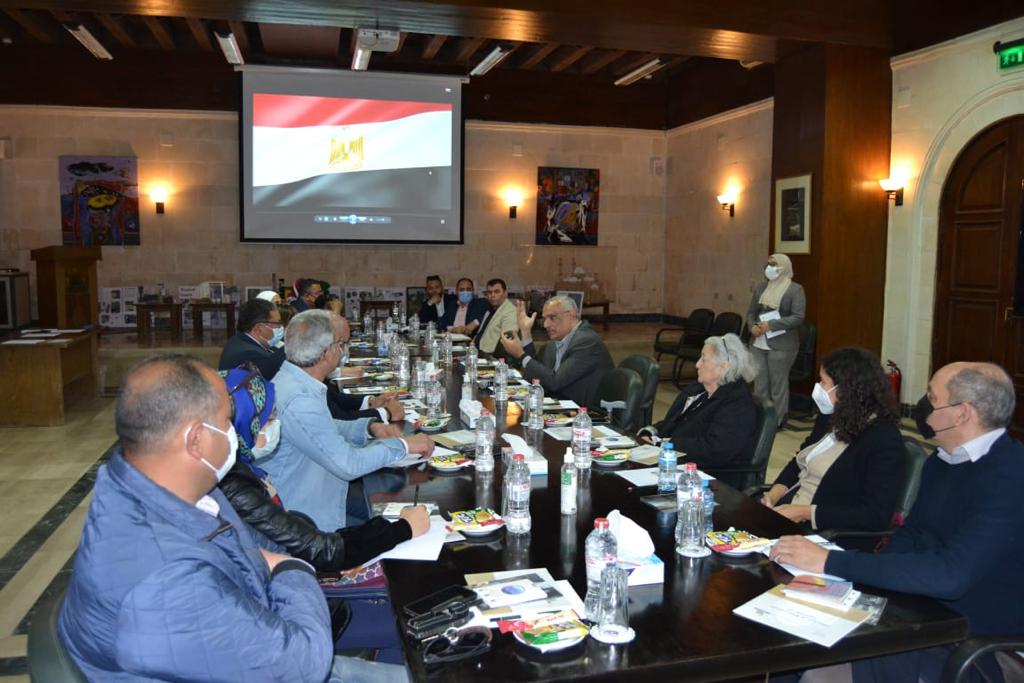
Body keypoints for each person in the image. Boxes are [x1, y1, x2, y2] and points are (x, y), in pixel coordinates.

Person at [58, 354, 408, 682]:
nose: (235, 432)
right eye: (227, 420)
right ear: (196, 439)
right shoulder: (165, 585)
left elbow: (246, 551)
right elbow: (305, 665)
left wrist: (270, 561)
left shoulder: (162, 488)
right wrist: (292, 568)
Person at [772, 362, 1024, 682]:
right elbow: (911, 535)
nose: (922, 405)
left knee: (814, 669)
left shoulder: (1011, 477)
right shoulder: (943, 461)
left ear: (961, 414)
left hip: (972, 639)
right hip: (918, 612)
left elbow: (951, 575)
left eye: (931, 398)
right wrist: (867, 589)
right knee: (788, 635)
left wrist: (831, 561)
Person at [218, 367, 430, 570]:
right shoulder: (237, 487)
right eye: (269, 420)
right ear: (245, 426)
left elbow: (302, 536)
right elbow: (321, 550)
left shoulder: (240, 469)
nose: (277, 425)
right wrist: (403, 529)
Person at [265, 310, 435, 530]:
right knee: (408, 519)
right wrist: (403, 445)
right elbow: (349, 464)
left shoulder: (292, 380)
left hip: (323, 493)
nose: (341, 350)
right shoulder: (300, 400)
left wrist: (369, 428)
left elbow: (320, 429)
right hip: (307, 521)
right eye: (339, 344)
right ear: (326, 353)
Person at [761, 347, 903, 550]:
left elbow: (874, 515)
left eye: (823, 382)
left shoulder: (883, 439)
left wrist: (805, 512)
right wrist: (774, 494)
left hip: (826, 534)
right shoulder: (833, 416)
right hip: (790, 514)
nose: (818, 388)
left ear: (846, 390)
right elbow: (800, 460)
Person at [637, 333, 758, 473]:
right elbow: (673, 423)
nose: (697, 364)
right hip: (674, 462)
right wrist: (649, 433)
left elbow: (715, 450)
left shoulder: (737, 403)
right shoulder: (697, 390)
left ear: (723, 367)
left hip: (703, 475)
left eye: (703, 359)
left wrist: (662, 443)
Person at [500, 295, 613, 409]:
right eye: (544, 319)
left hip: (583, 412)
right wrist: (526, 332)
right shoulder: (554, 343)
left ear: (571, 314)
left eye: (552, 318)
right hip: (559, 406)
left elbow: (555, 382)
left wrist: (521, 355)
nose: (546, 325)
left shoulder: (586, 342)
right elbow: (538, 375)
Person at [747, 253, 806, 426]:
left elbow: (798, 317)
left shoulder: (795, 289)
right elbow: (751, 312)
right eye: (768, 264)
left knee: (777, 385)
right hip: (759, 343)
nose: (769, 268)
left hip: (782, 345)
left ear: (784, 267)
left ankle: (777, 421)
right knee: (760, 384)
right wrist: (752, 327)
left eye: (773, 264)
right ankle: (759, 419)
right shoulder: (761, 287)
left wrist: (771, 325)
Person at [218, 299, 286, 380]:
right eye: (278, 323)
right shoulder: (252, 355)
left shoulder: (239, 340)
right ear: (259, 328)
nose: (281, 327)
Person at [474, 278, 519, 355]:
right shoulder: (490, 309)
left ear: (505, 293)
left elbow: (508, 341)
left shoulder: (510, 312)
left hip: (492, 356)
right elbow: (481, 333)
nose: (492, 295)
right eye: (489, 292)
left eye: (497, 292)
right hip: (478, 352)